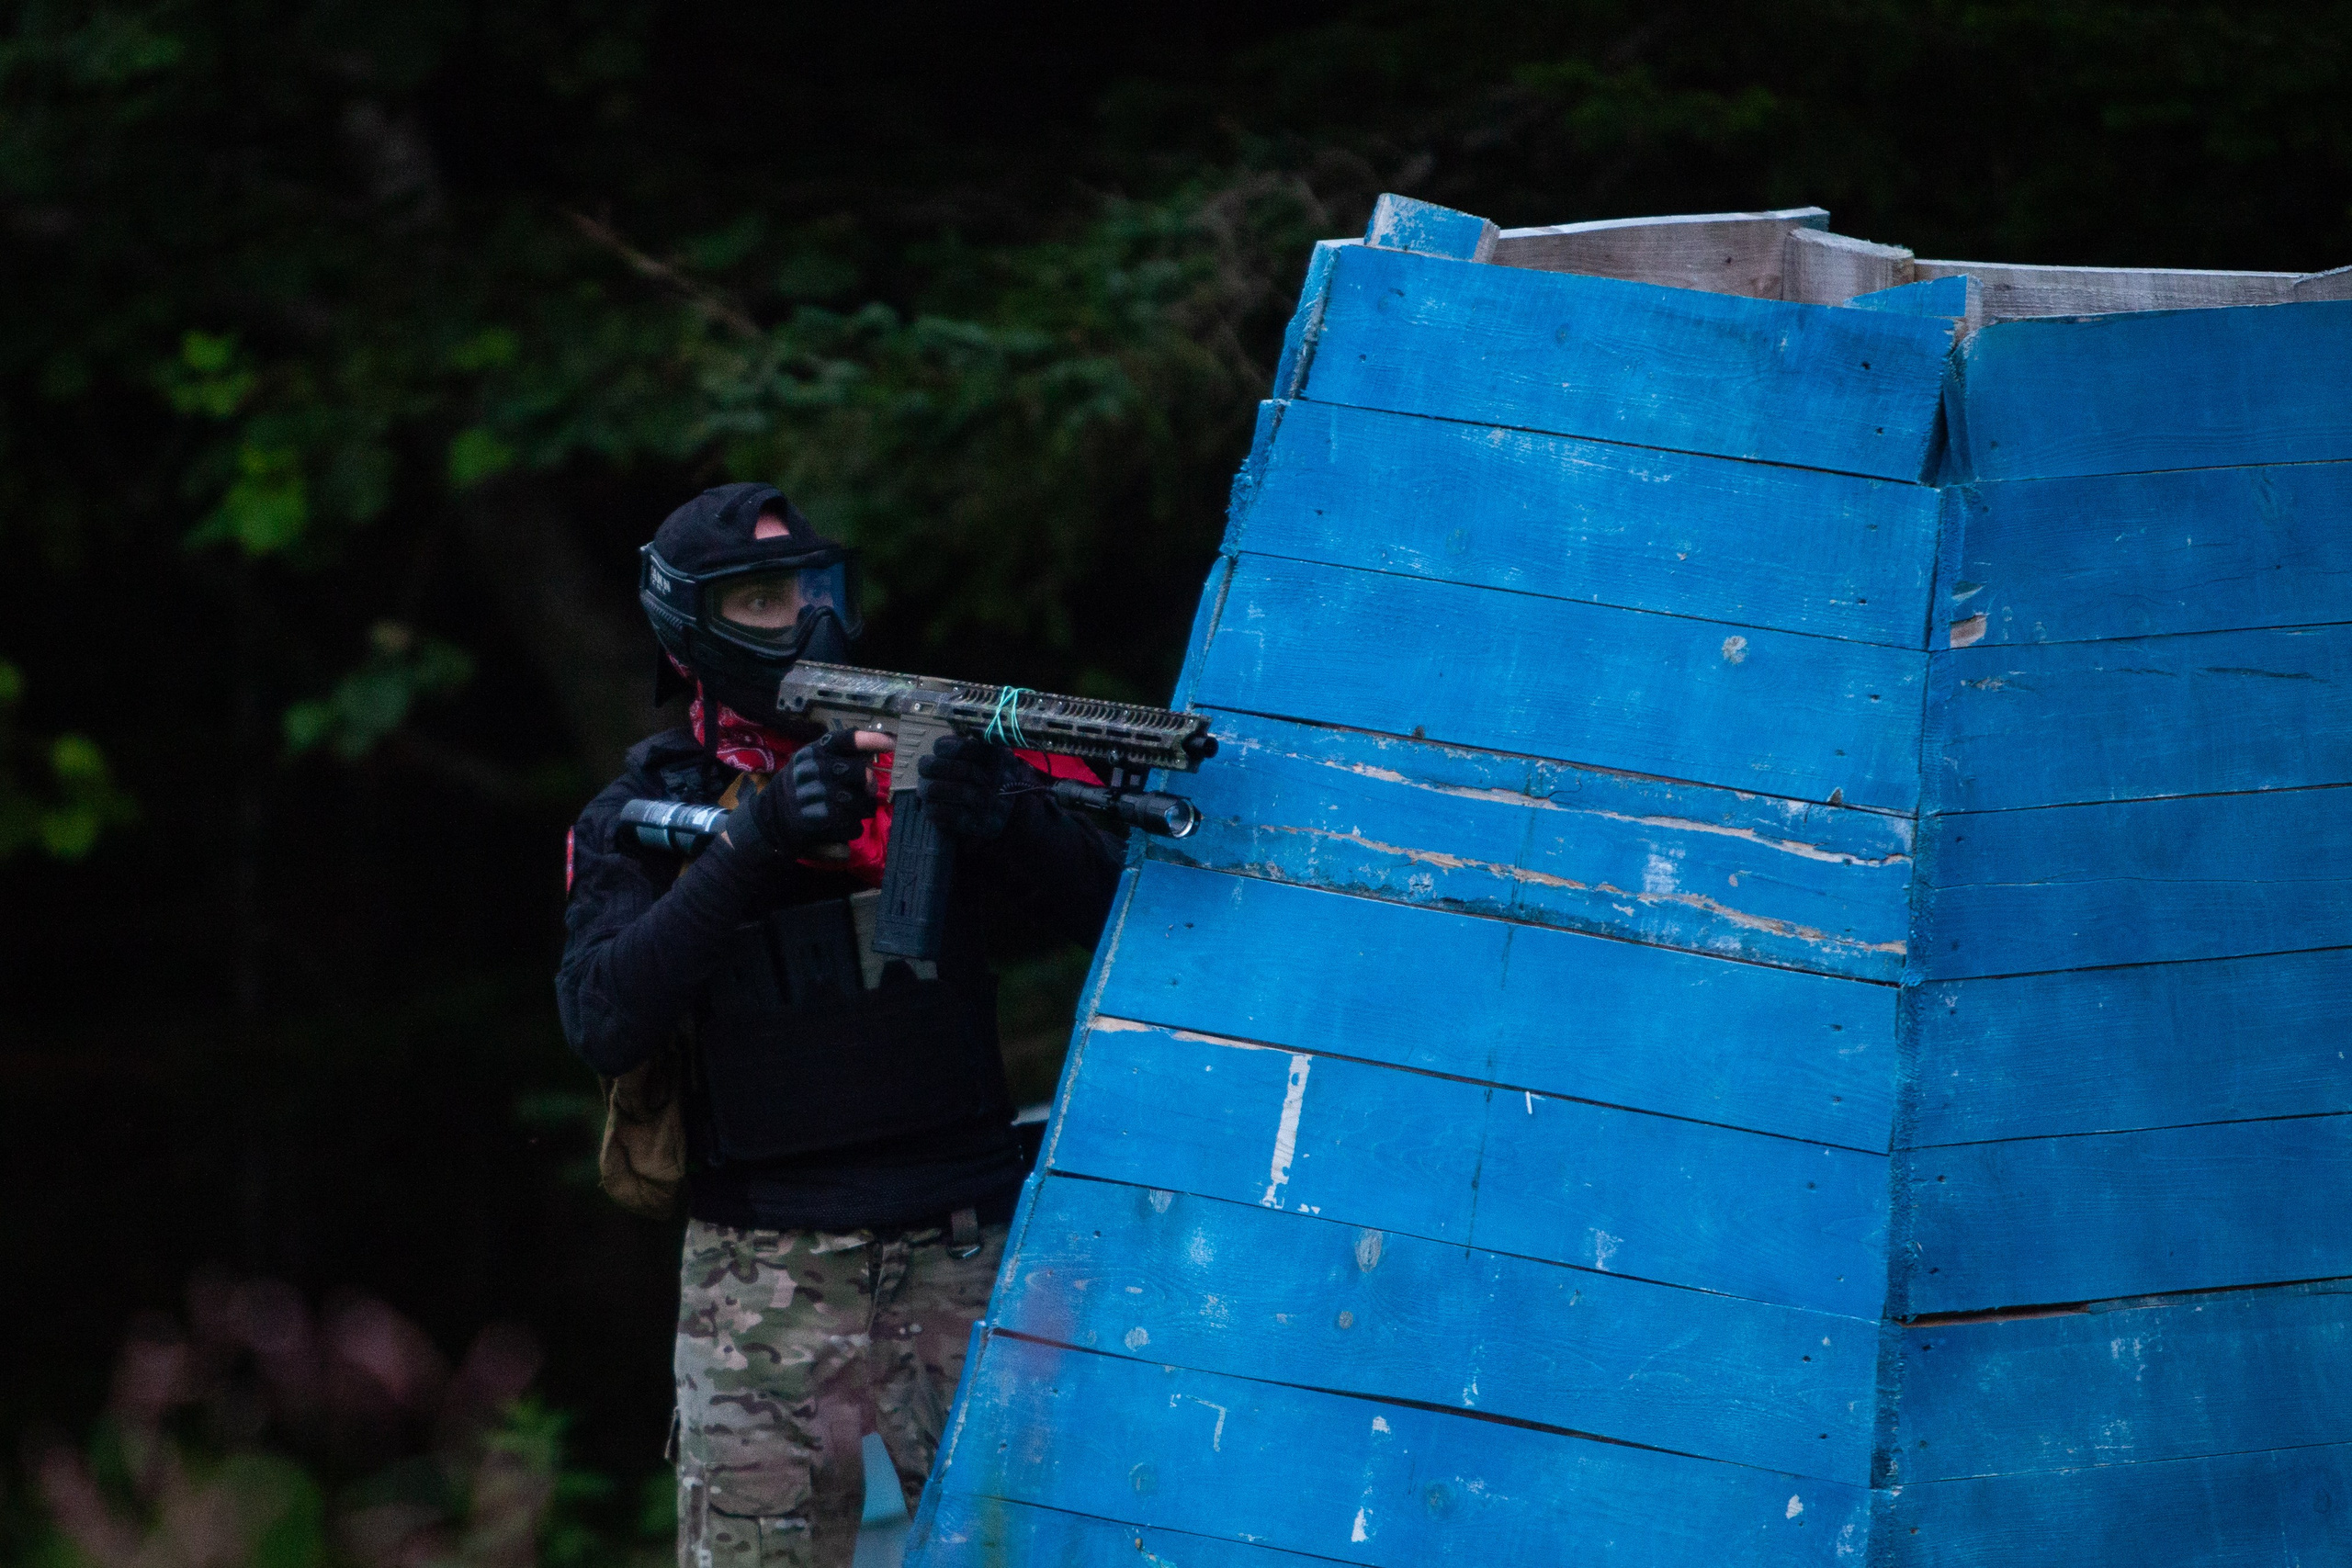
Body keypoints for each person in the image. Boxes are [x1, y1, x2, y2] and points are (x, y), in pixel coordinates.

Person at [556, 481, 1122, 1568]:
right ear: (692, 630)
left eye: (818, 590)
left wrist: (1003, 819)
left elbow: (1110, 918)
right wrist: (754, 844)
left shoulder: (926, 759)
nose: (806, 622)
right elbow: (602, 1018)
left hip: (962, 1250)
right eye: (763, 601)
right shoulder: (647, 809)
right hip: (762, 1275)